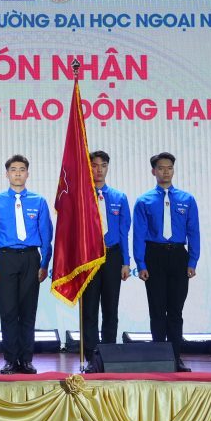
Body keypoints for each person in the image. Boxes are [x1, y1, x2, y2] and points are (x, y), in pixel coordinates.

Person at [0, 155, 53, 375]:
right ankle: (10, 360)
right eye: (13, 170)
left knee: (28, 311)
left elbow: (46, 235)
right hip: (6, 258)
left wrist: (44, 263)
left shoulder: (39, 201)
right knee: (9, 311)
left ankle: (27, 360)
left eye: (22, 169)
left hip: (31, 258)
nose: (18, 173)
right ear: (7, 174)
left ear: (27, 174)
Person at [133, 152, 200, 373]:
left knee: (175, 311)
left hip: (178, 256)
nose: (165, 172)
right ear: (154, 171)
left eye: (169, 168)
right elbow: (139, 234)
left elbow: (193, 231)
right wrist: (141, 264)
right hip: (154, 255)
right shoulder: (144, 201)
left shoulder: (187, 199)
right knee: (157, 310)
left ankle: (175, 358)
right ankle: (158, 358)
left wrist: (193, 260)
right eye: (161, 168)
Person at [82, 150, 132, 366]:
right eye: (94, 165)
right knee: (89, 309)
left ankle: (109, 355)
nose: (99, 170)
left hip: (112, 256)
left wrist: (126, 262)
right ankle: (91, 357)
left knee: (111, 308)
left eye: (103, 165)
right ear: (89, 167)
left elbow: (124, 232)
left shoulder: (119, 197)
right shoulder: (81, 197)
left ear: (107, 168)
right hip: (89, 257)